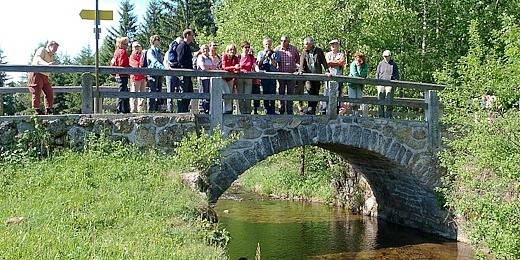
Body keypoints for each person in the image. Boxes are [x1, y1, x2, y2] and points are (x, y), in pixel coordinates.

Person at [297, 37, 328, 115]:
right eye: (304, 44)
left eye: (306, 44)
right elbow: (301, 63)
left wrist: (327, 71)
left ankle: (312, 109)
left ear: (311, 44)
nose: (305, 45)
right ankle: (310, 108)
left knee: (316, 92)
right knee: (310, 90)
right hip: (308, 76)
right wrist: (300, 71)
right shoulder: (304, 52)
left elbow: (324, 62)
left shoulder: (319, 51)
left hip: (317, 75)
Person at [28, 40, 59, 115]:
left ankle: (48, 109)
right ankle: (36, 110)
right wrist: (47, 64)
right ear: (49, 46)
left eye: (56, 48)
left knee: (49, 91)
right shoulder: (42, 50)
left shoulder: (51, 55)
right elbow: (38, 60)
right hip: (36, 72)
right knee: (36, 91)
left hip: (45, 75)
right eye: (54, 47)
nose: (56, 50)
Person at [274, 35, 300, 115]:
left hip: (291, 74)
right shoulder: (277, 49)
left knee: (290, 93)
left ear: (288, 41)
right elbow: (273, 62)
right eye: (281, 40)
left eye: (285, 41)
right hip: (281, 75)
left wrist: (297, 69)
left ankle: (289, 111)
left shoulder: (293, 49)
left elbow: (298, 60)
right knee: (281, 93)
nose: (283, 42)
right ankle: (281, 110)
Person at [257, 37, 279, 115]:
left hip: (273, 75)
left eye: (269, 44)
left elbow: (275, 64)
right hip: (264, 75)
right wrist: (265, 56)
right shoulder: (260, 53)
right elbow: (258, 64)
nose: (268, 46)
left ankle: (272, 109)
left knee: (272, 92)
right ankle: (266, 108)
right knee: (265, 91)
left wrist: (270, 57)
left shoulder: (275, 53)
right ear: (263, 45)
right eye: (266, 44)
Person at [174, 29, 195, 113]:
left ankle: (185, 111)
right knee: (183, 92)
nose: (193, 37)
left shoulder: (187, 46)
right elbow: (180, 60)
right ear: (187, 35)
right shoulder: (182, 46)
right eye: (192, 35)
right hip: (183, 73)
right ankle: (181, 112)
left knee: (189, 92)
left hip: (188, 74)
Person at [375, 50, 400, 118]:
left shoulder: (393, 64)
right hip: (381, 83)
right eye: (384, 56)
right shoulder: (380, 63)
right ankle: (381, 115)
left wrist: (395, 83)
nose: (385, 57)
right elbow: (377, 74)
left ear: (390, 56)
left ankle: (388, 115)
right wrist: (377, 84)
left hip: (390, 84)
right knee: (380, 99)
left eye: (387, 56)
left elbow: (397, 75)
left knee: (389, 99)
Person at [324, 39, 346, 114]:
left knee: (338, 93)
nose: (333, 46)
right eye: (332, 44)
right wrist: (337, 63)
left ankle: (336, 111)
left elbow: (341, 62)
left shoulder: (341, 54)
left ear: (338, 45)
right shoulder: (327, 54)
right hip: (329, 77)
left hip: (338, 77)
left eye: (335, 44)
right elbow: (327, 63)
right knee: (327, 93)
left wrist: (332, 63)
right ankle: (326, 111)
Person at [236, 41, 258, 114]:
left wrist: (258, 71)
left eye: (248, 47)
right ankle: (241, 112)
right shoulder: (238, 57)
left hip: (248, 78)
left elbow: (255, 65)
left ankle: (248, 112)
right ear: (242, 48)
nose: (247, 49)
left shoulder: (251, 57)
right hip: (239, 77)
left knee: (248, 96)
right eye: (246, 47)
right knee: (240, 96)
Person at [197, 44, 219, 114]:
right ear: (201, 50)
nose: (205, 50)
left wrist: (210, 67)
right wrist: (210, 68)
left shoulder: (209, 58)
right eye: (204, 49)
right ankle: (202, 110)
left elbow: (214, 67)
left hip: (209, 78)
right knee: (203, 93)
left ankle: (207, 109)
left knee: (208, 95)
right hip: (203, 78)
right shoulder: (201, 57)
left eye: (206, 48)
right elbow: (203, 67)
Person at [110, 36, 131, 114]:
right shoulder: (122, 52)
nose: (126, 46)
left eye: (127, 44)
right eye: (125, 44)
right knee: (122, 92)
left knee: (125, 91)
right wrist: (129, 68)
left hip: (118, 75)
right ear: (121, 44)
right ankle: (120, 110)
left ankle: (126, 110)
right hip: (123, 74)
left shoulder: (116, 51)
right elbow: (122, 63)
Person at [146, 35, 165, 112]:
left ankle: (157, 109)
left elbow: (161, 60)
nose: (158, 41)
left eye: (159, 40)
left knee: (159, 90)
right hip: (152, 73)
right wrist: (162, 67)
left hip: (159, 74)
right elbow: (154, 61)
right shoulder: (151, 51)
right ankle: (151, 109)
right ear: (153, 41)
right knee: (152, 91)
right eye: (157, 40)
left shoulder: (158, 51)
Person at [164, 37, 183, 112]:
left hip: (177, 73)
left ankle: (178, 110)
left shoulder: (175, 52)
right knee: (170, 92)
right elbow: (167, 62)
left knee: (178, 92)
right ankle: (170, 110)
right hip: (170, 73)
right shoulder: (170, 52)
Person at [221, 44, 240, 114]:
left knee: (230, 94)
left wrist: (237, 69)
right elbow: (224, 67)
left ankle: (228, 110)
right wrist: (234, 67)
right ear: (227, 50)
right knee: (226, 93)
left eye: (233, 49)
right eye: (231, 49)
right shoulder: (224, 56)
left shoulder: (235, 58)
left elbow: (237, 66)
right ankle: (225, 110)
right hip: (223, 78)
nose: (232, 51)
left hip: (230, 78)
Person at [348, 51, 368, 116]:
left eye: (360, 60)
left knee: (359, 99)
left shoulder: (365, 65)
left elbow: (364, 74)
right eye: (357, 60)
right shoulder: (353, 64)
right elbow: (354, 74)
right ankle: (353, 113)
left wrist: (359, 67)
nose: (358, 62)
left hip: (360, 85)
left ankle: (356, 113)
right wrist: (360, 77)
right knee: (352, 99)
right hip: (352, 84)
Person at [129, 41, 146, 113]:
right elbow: (136, 65)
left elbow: (144, 64)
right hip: (135, 78)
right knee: (134, 94)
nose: (137, 48)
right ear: (132, 48)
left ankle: (141, 110)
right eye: (135, 47)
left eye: (138, 47)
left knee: (142, 94)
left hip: (143, 77)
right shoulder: (132, 56)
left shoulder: (142, 55)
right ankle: (133, 110)